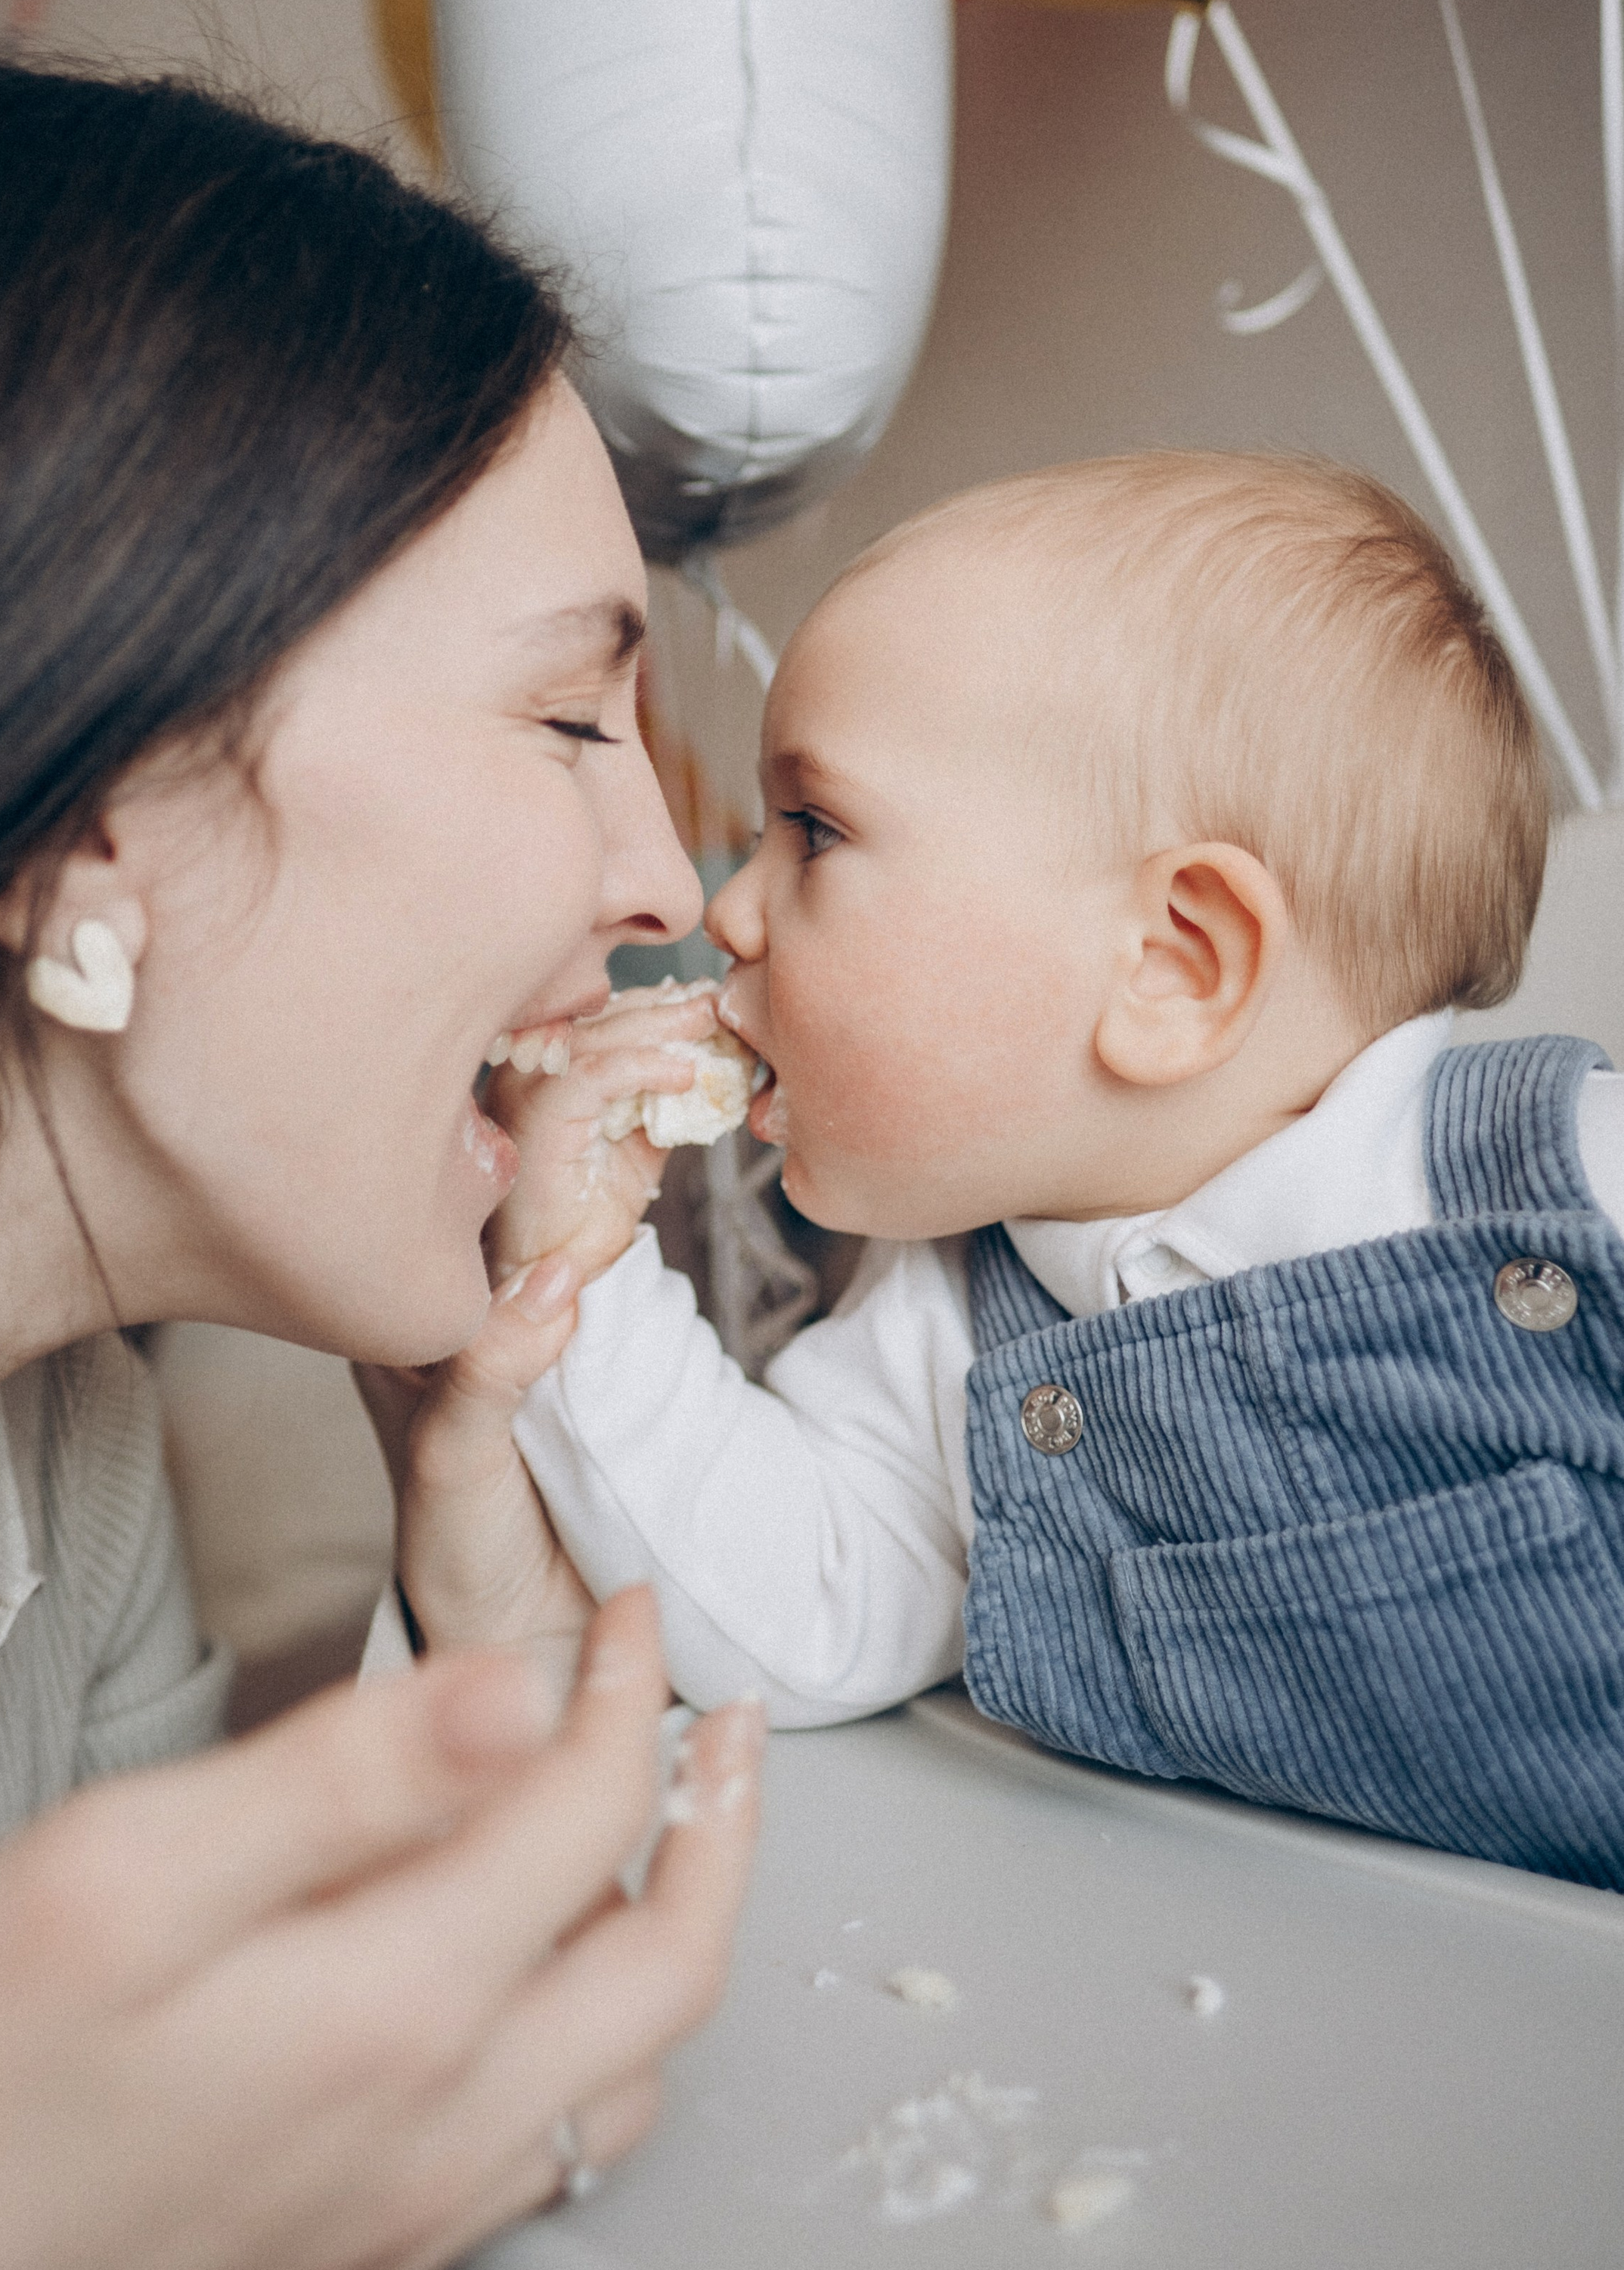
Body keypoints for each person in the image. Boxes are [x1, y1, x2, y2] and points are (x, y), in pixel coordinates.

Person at [0, 60, 762, 2270]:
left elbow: (181, 2201)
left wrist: (479, 1630)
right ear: (78, 809)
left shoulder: (57, 1449)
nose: (669, 881)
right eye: (575, 726)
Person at [382, 450, 1624, 1890]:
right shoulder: (952, 1315)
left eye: (819, 831)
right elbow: (801, 1622)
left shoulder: (1569, 1183)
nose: (728, 910)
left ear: (1172, 965)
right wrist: (586, 1273)